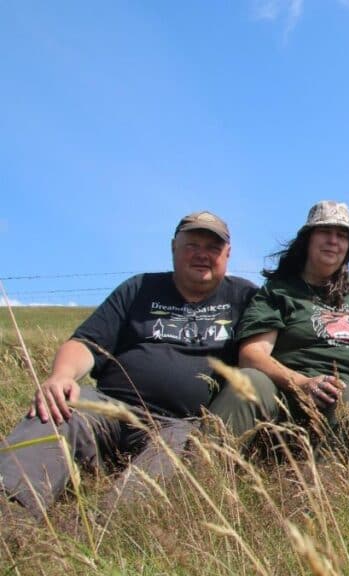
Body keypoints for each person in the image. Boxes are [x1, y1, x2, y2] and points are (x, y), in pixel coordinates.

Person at [0, 212, 256, 526]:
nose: (202, 254)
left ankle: (90, 536)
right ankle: (10, 512)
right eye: (192, 245)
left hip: (180, 424)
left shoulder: (244, 297)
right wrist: (62, 376)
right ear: (174, 248)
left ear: (227, 254)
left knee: (165, 467)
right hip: (108, 407)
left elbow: (263, 352)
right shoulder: (139, 288)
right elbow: (85, 343)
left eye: (213, 248)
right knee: (55, 412)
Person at [208, 201, 349, 447]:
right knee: (250, 380)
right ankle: (199, 471)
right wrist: (303, 384)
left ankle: (322, 482)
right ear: (307, 239)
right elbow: (252, 354)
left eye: (342, 235)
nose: (333, 241)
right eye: (325, 232)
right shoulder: (280, 290)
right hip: (288, 391)